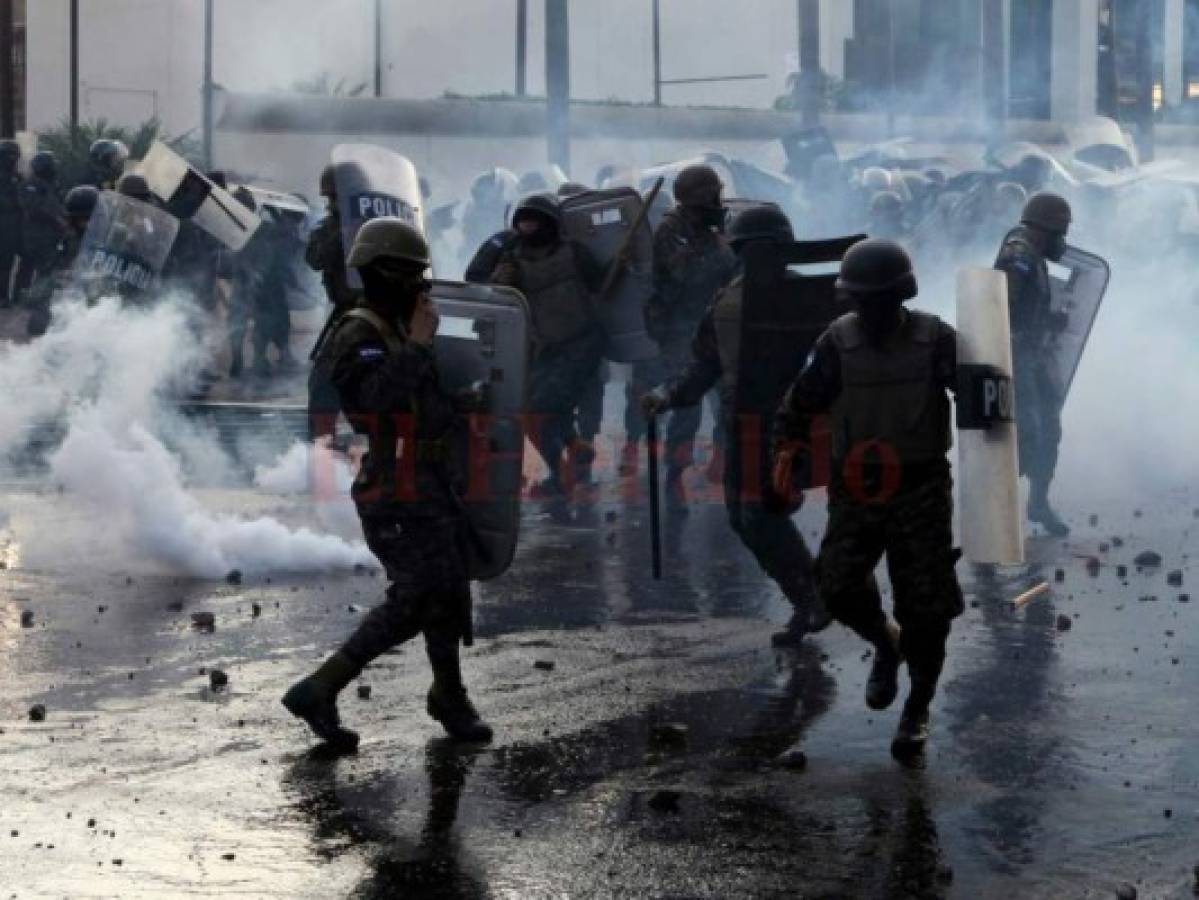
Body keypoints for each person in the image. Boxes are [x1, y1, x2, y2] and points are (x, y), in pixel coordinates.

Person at [283, 217, 492, 751]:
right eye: (411, 277)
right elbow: (375, 405)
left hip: (428, 481)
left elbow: (423, 405)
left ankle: (449, 694)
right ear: (381, 275)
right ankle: (321, 687)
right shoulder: (360, 332)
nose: (420, 288)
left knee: (447, 591)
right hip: (393, 488)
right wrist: (419, 347)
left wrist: (469, 404)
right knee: (417, 596)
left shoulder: (395, 328)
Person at [772, 238, 964, 759]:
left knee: (925, 604)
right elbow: (799, 404)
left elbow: (976, 400)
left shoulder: (936, 338)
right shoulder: (837, 342)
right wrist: (783, 462)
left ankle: (917, 706)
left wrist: (990, 391)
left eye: (880, 300)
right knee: (837, 587)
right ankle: (886, 644)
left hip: (920, 485)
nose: (871, 310)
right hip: (857, 485)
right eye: (862, 300)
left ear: (902, 295)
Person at [641, 205, 828, 647]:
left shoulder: (814, 297)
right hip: (741, 423)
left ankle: (815, 599)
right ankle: (808, 598)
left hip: (792, 423)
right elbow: (705, 363)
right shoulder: (728, 299)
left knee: (761, 515)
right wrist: (668, 395)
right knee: (745, 519)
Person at [481, 193, 606, 496]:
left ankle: (563, 471)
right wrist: (504, 273)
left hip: (582, 343)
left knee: (542, 407)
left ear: (549, 223)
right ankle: (571, 450)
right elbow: (498, 293)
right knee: (536, 407)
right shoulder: (513, 258)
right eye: (523, 222)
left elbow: (600, 283)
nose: (528, 227)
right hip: (546, 347)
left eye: (534, 221)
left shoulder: (575, 253)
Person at [642, 164, 735, 508]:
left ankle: (721, 464)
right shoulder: (672, 230)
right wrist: (720, 247)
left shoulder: (713, 229)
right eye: (713, 194)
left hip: (714, 322)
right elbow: (685, 276)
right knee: (686, 406)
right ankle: (674, 476)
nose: (719, 200)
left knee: (725, 400)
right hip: (682, 327)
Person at [994, 192, 1072, 537]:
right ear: (1047, 229)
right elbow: (999, 307)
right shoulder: (1019, 254)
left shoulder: (1033, 253)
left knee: (1049, 431)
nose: (1064, 241)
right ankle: (997, 507)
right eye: (1062, 232)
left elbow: (1025, 308)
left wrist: (1049, 320)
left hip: (1033, 357)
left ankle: (1038, 502)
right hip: (1015, 358)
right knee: (1026, 434)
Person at [22, 185, 98, 335]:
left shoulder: (112, 234)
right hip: (72, 294)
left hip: (100, 292)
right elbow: (51, 269)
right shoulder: (65, 238)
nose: (85, 224)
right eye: (81, 219)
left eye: (89, 218)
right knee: (37, 324)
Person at [0, 140, 23, 307]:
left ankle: (18, 294)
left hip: (17, 224)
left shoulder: (16, 176)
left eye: (15, 155)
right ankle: (3, 297)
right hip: (5, 223)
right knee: (5, 263)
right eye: (10, 155)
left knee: (24, 259)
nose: (13, 159)